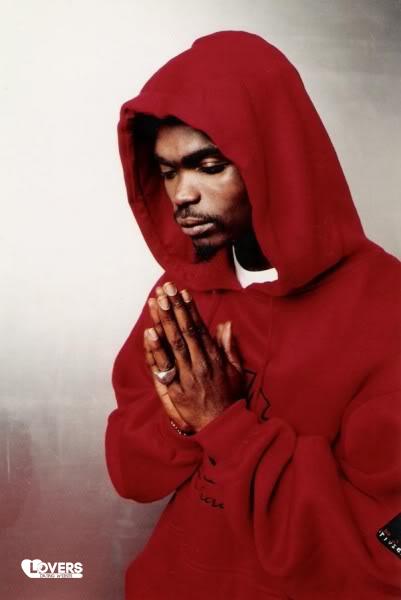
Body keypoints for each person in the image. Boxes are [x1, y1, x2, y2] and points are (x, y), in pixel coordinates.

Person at [105, 31, 401, 599]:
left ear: (277, 158)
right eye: (168, 172)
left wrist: (222, 422)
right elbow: (132, 476)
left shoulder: (386, 306)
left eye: (208, 165)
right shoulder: (180, 295)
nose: (182, 195)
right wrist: (180, 419)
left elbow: (377, 556)